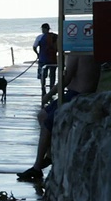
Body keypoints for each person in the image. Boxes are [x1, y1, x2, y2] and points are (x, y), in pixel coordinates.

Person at [16, 53, 101, 181]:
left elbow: (66, 78)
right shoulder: (88, 51)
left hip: (77, 94)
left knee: (47, 123)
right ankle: (49, 155)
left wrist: (49, 94)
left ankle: (37, 167)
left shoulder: (78, 52)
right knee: (42, 115)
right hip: (74, 92)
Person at [33, 23, 59, 96]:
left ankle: (43, 88)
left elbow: (34, 47)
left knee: (42, 75)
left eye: (42, 29)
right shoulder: (55, 36)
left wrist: (37, 54)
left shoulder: (40, 37)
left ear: (44, 29)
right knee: (52, 74)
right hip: (53, 59)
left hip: (43, 59)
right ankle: (51, 88)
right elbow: (59, 47)